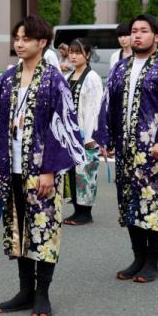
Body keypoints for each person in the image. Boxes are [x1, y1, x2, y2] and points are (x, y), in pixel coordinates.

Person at [0, 15, 84, 316]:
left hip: (41, 169)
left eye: (26, 38)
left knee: (44, 229)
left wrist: (50, 169)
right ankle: (24, 291)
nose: (19, 43)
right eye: (16, 38)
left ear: (42, 42)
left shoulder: (54, 80)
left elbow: (65, 126)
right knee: (19, 228)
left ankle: (42, 293)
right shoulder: (6, 78)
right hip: (12, 166)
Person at [96, 13, 158, 284]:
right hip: (126, 147)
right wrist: (107, 137)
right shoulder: (120, 67)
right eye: (134, 30)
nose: (137, 35)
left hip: (153, 149)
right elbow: (108, 103)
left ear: (157, 36)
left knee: (153, 202)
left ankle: (152, 261)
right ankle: (137, 256)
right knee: (129, 200)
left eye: (143, 30)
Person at [64, 38, 104, 225]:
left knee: (86, 174)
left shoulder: (92, 78)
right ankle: (77, 209)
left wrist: (91, 137)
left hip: (86, 136)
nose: (73, 56)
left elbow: (95, 110)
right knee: (73, 173)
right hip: (71, 136)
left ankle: (85, 213)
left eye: (78, 52)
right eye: (71, 52)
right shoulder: (68, 76)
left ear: (87, 55)